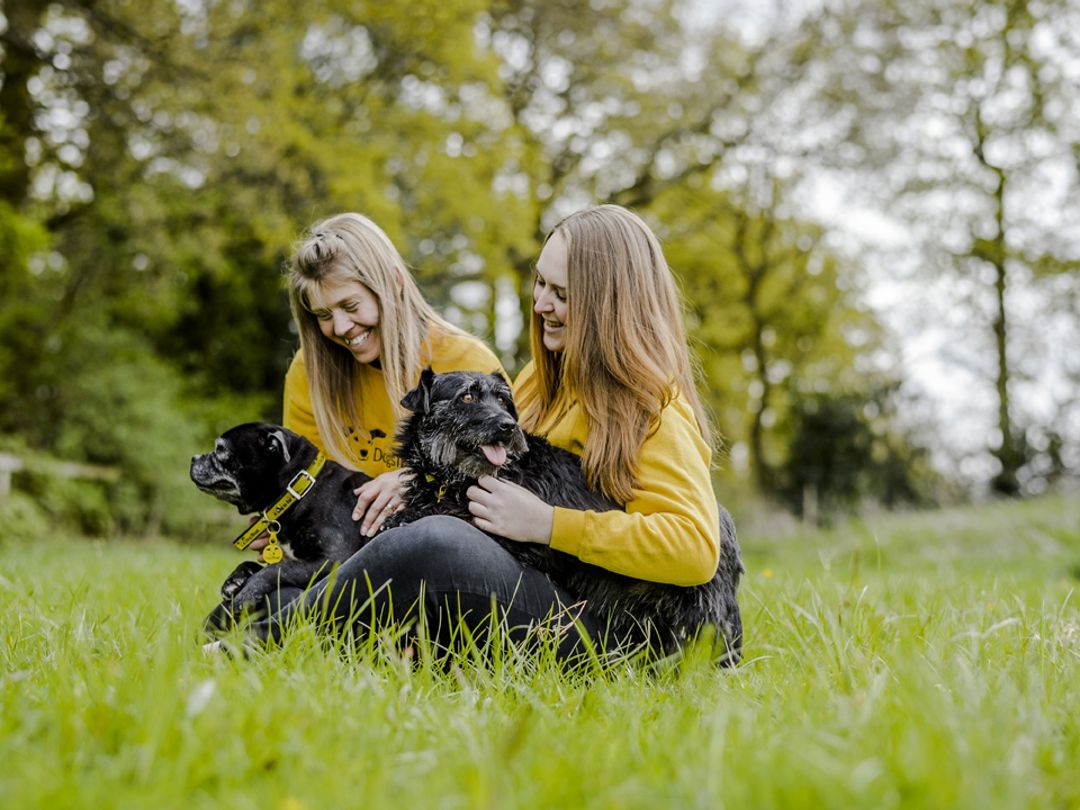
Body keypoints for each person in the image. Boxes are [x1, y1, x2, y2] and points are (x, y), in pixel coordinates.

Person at [246, 205, 731, 660]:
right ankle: (319, 636)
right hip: (547, 588)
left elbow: (693, 549)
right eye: (540, 283)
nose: (541, 303)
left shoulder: (653, 408)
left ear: (609, 303)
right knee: (316, 579)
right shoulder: (539, 386)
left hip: (614, 629)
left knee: (434, 539)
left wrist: (548, 523)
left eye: (562, 294)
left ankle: (262, 643)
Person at [263, 212, 504, 540]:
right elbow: (302, 481)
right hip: (352, 545)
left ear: (393, 282)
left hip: (446, 544)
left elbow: (508, 475)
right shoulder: (309, 373)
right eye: (323, 314)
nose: (341, 327)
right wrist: (281, 519)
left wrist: (416, 481)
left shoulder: (465, 362)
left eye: (350, 305)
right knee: (276, 594)